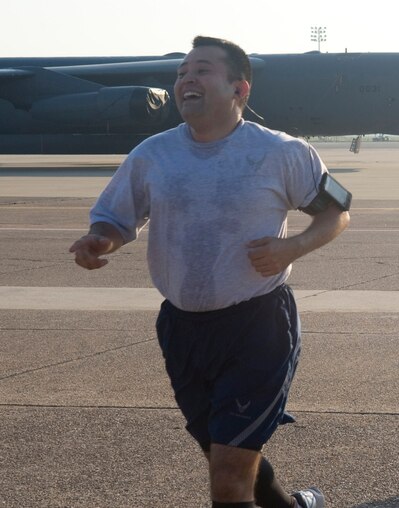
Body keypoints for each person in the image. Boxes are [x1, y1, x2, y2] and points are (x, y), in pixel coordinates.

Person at [69, 36, 350, 508]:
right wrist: (101, 240)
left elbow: (337, 213)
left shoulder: (281, 152)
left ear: (239, 89)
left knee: (228, 472)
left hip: (257, 324)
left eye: (201, 70)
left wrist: (291, 248)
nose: (185, 81)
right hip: (182, 328)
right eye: (181, 73)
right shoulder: (152, 154)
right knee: (224, 450)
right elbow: (115, 219)